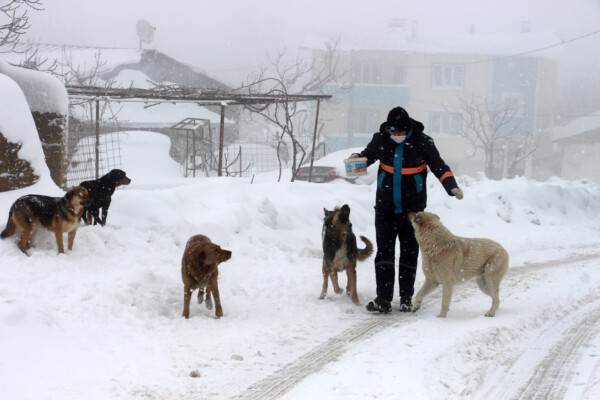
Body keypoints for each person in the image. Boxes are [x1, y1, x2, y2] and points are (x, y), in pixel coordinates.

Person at [350, 106, 463, 313]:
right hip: (385, 207)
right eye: (393, 132)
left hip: (413, 212)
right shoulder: (381, 139)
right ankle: (383, 297)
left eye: (400, 132)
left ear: (408, 128)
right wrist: (352, 163)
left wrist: (451, 185)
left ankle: (406, 298)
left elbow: (439, 166)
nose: (397, 136)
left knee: (409, 252)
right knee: (384, 252)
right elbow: (366, 158)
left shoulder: (423, 142)